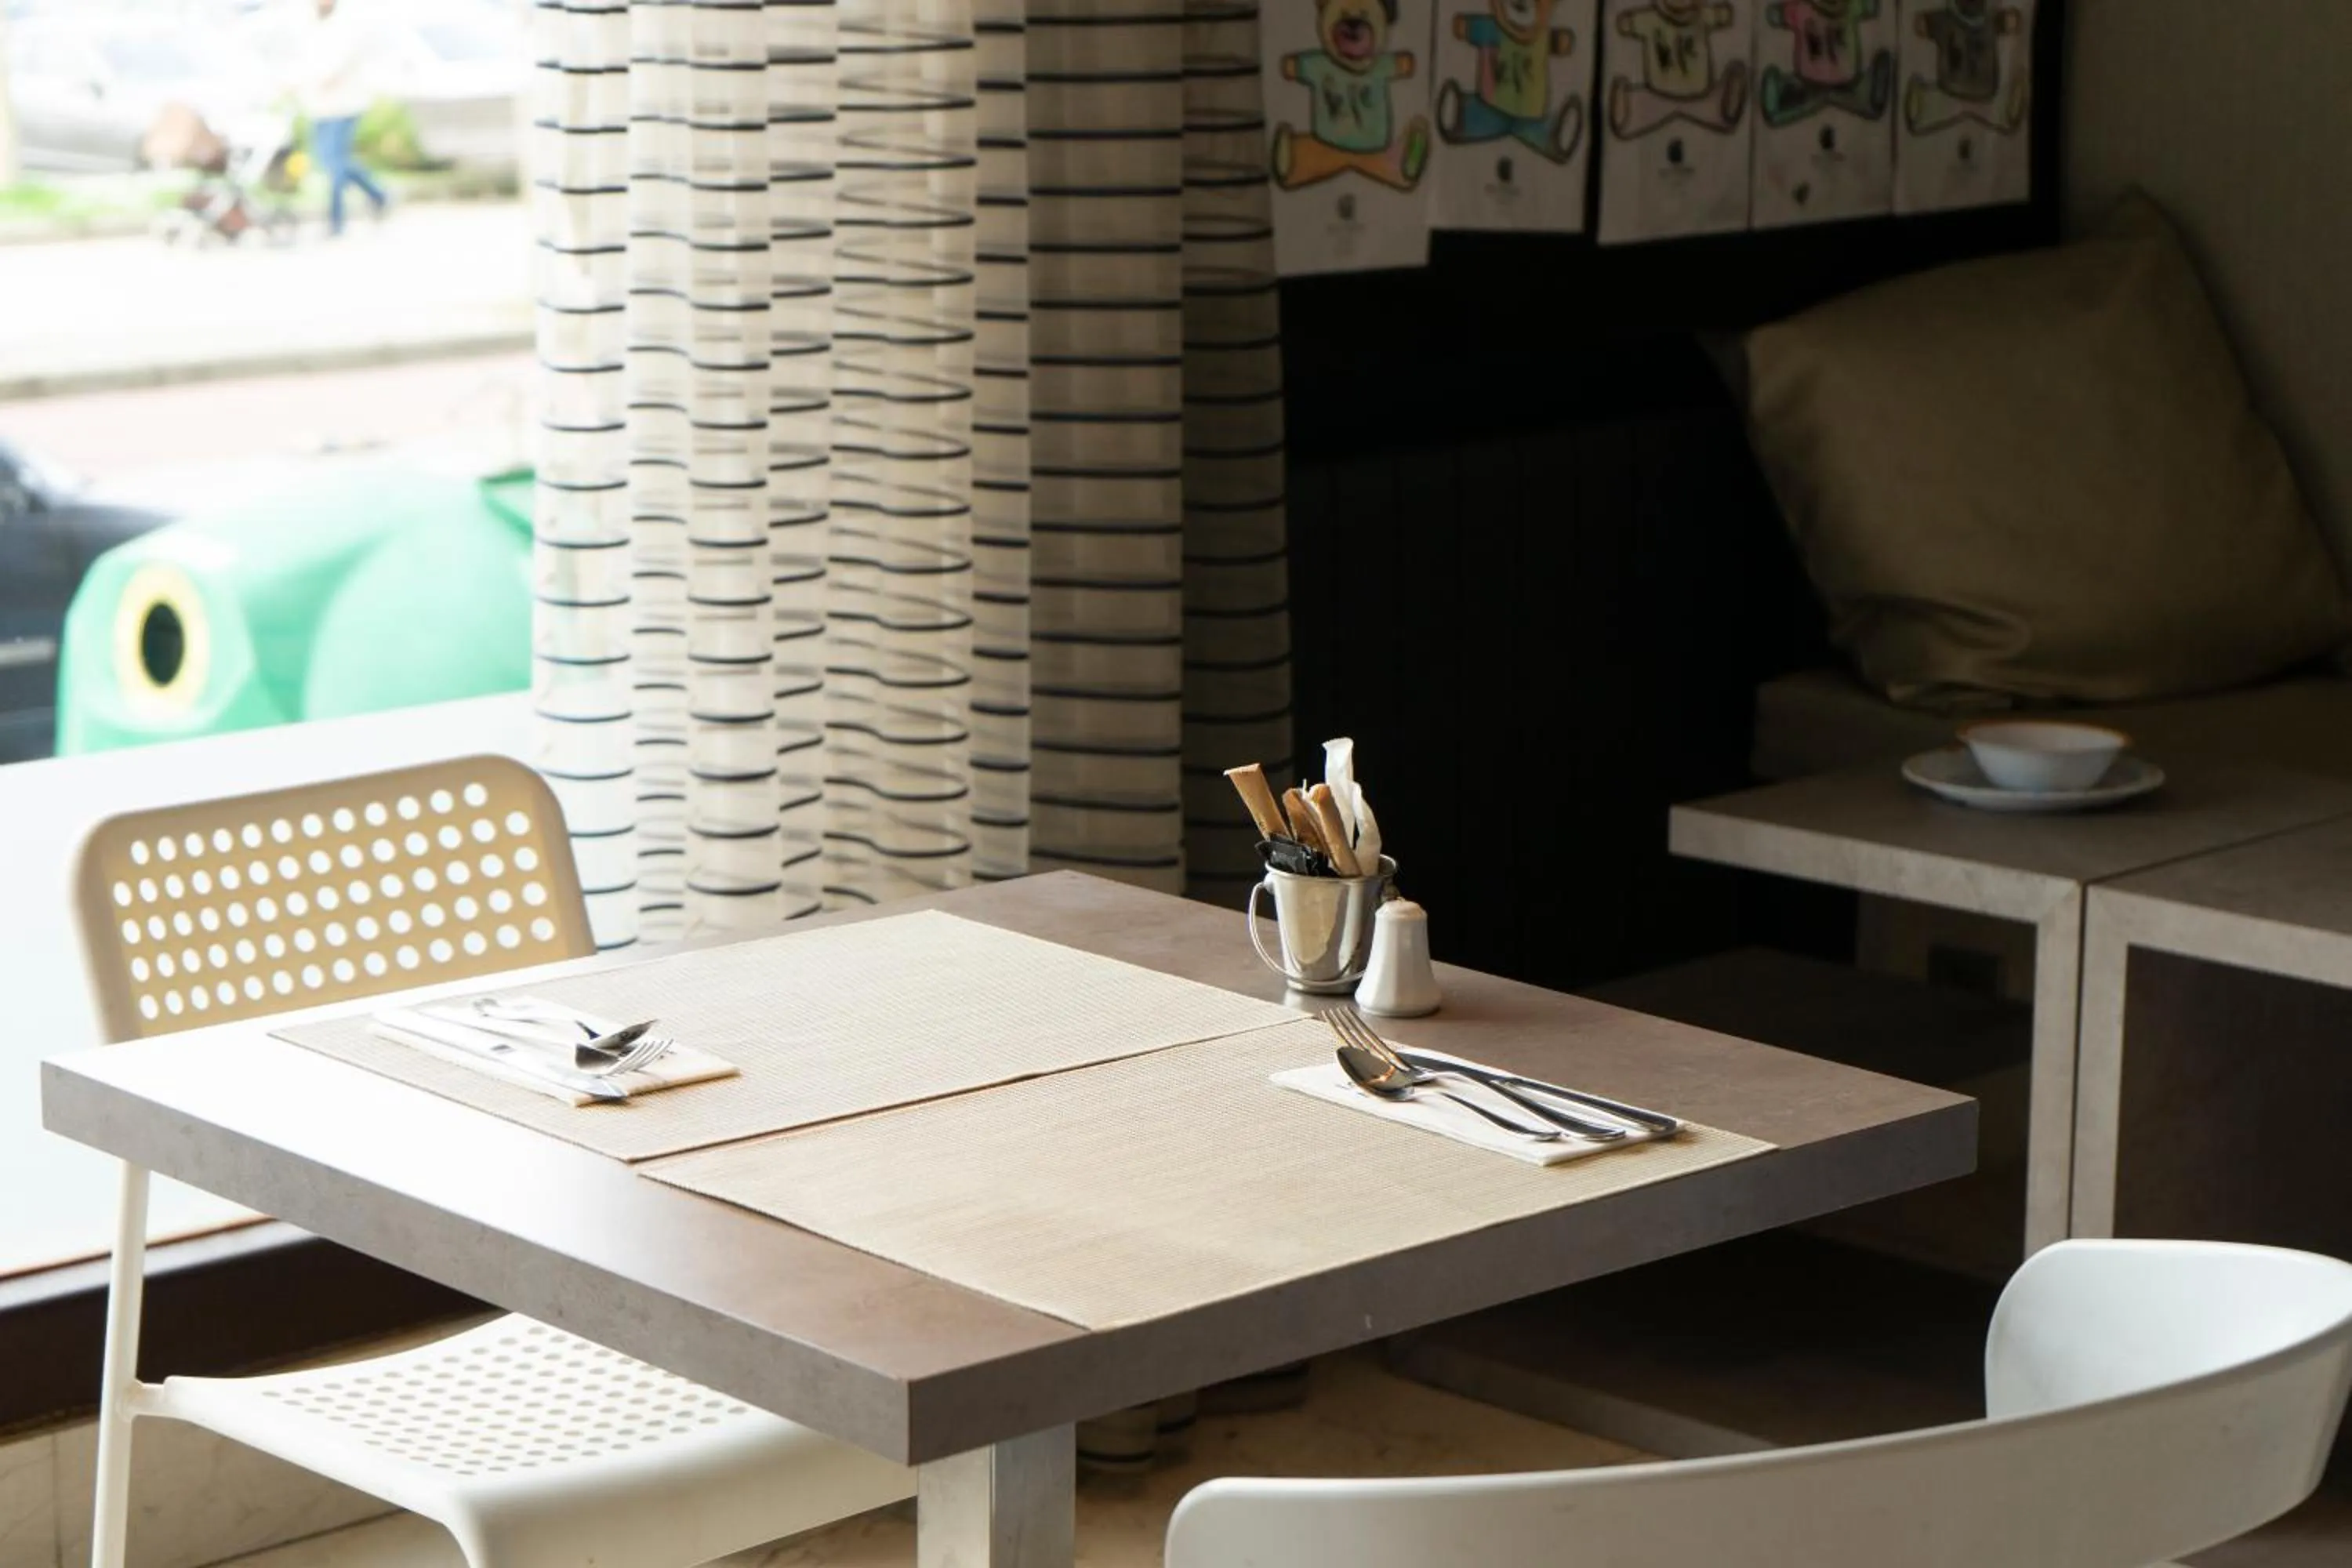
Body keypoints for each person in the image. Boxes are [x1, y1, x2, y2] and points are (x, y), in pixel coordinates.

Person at [299, 0, 390, 236]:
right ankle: (378, 194)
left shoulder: (348, 23)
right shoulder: (309, 22)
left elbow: (339, 62)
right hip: (318, 106)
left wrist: (321, 77)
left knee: (335, 164)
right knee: (329, 161)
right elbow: (305, 60)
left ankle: (336, 219)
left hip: (344, 104)